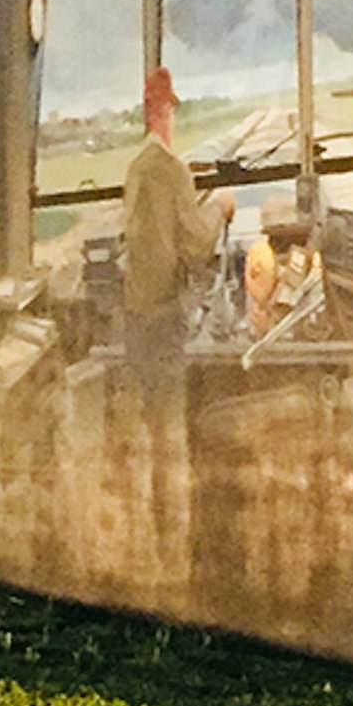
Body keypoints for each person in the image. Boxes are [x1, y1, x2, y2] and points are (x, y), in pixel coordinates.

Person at [117, 67, 224, 564]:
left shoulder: (136, 167)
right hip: (163, 318)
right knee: (172, 431)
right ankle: (175, 544)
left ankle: (149, 534)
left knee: (147, 426)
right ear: (163, 113)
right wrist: (220, 210)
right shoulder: (172, 169)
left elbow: (149, 235)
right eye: (172, 110)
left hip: (135, 315)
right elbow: (197, 244)